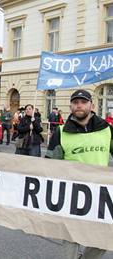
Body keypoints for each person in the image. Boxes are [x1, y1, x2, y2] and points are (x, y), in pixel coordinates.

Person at [46, 89, 113, 259]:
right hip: (71, 196)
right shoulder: (61, 132)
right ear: (70, 106)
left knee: (104, 239)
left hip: (101, 195)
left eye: (83, 102)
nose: (79, 105)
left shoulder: (107, 129)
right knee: (71, 240)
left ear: (91, 105)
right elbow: (49, 165)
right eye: (75, 102)